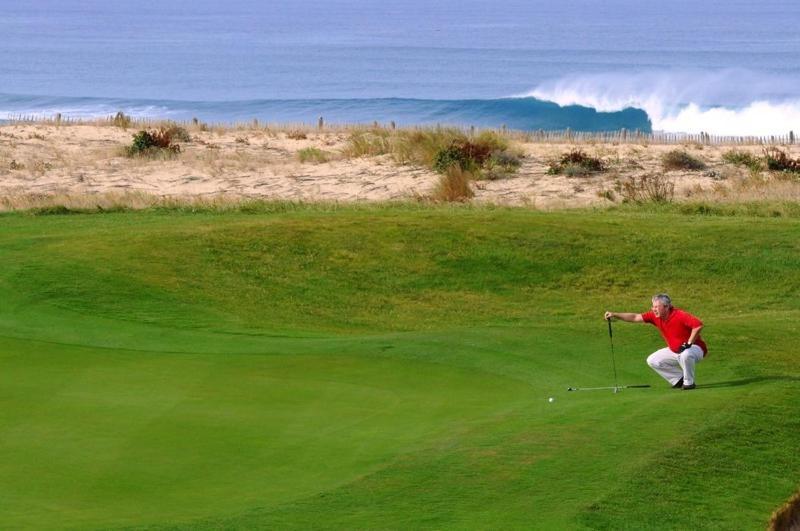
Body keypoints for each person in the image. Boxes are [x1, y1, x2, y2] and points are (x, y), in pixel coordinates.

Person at [604, 293, 707, 390]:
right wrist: (615, 314)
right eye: (653, 306)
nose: (653, 309)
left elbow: (698, 325)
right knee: (653, 360)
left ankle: (689, 383)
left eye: (656, 307)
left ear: (666, 307)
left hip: (696, 349)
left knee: (685, 354)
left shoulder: (680, 315)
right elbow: (635, 317)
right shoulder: (654, 316)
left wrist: (688, 343)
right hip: (675, 350)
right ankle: (679, 379)